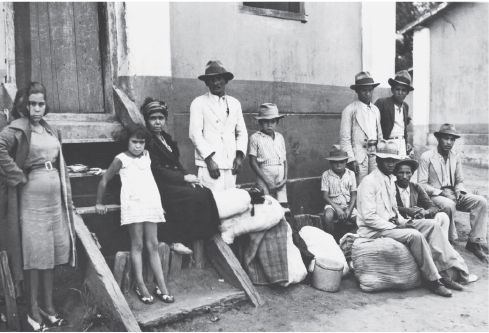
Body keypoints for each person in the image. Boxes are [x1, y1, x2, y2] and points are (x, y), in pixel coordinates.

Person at [357, 139, 477, 297]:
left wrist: (404, 222)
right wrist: (397, 227)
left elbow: (394, 210)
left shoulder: (388, 180)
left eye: (393, 161)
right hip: (374, 230)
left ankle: (446, 271)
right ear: (378, 160)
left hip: (391, 225)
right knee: (414, 235)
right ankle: (432, 280)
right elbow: (368, 218)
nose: (391, 164)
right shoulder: (368, 182)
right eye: (387, 161)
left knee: (432, 225)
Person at [0, 82, 76, 330]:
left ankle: (48, 306)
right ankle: (33, 311)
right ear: (24, 105)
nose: (37, 108)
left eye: (41, 104)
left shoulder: (49, 128)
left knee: (50, 254)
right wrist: (18, 176)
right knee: (34, 255)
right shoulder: (17, 128)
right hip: (32, 200)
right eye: (32, 103)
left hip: (54, 201)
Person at [95, 124, 174, 305]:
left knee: (153, 244)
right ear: (127, 141)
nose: (138, 146)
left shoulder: (146, 156)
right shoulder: (121, 159)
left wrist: (158, 204)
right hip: (133, 204)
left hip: (151, 202)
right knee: (137, 244)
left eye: (141, 142)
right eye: (134, 142)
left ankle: (161, 285)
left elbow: (150, 181)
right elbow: (105, 179)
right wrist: (99, 202)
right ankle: (140, 285)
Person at [142, 98, 220, 251]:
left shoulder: (165, 138)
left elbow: (176, 164)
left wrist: (189, 178)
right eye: (153, 118)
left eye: (161, 118)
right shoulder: (148, 140)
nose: (157, 122)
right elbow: (156, 170)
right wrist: (183, 178)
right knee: (195, 196)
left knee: (204, 191)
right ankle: (181, 238)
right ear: (147, 120)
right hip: (158, 185)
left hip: (172, 180)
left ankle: (209, 232)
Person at [418, 124, 489, 263]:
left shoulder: (455, 157)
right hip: (434, 196)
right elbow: (421, 184)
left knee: (481, 201)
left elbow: (459, 180)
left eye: (452, 139)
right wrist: (441, 192)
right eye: (446, 138)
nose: (449, 142)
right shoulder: (426, 157)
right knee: (449, 204)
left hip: (453, 193)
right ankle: (449, 243)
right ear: (438, 138)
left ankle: (474, 242)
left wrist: (460, 191)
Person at [189, 60, 248, 191]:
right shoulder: (199, 103)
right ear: (206, 83)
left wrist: (239, 157)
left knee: (230, 203)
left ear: (225, 80)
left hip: (230, 163)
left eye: (219, 78)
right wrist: (209, 161)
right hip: (209, 165)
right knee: (212, 203)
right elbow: (195, 134)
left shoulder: (234, 103)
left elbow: (242, 132)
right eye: (211, 80)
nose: (216, 83)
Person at [340, 71, 383, 184]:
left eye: (370, 90)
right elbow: (345, 138)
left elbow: (379, 135)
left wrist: (381, 154)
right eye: (364, 90)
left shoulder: (375, 110)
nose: (367, 93)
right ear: (357, 91)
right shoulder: (350, 110)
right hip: (359, 155)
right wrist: (351, 159)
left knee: (375, 184)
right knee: (361, 185)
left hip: (374, 154)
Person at [394, 158, 450, 238]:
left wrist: (424, 212)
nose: (404, 176)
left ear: (412, 173)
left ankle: (442, 244)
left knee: (443, 216)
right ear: (395, 173)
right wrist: (406, 210)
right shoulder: (391, 188)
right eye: (401, 173)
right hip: (400, 224)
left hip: (416, 222)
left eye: (408, 173)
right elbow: (388, 207)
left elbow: (433, 207)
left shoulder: (416, 187)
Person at [249, 103, 288, 208]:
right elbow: (252, 162)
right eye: (266, 121)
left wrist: (285, 178)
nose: (269, 124)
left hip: (280, 175)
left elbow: (284, 160)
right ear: (260, 122)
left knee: (282, 205)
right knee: (266, 205)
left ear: (277, 122)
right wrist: (267, 181)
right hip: (265, 174)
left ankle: (283, 224)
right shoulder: (255, 138)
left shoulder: (280, 137)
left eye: (273, 121)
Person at [321, 145, 357, 239]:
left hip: (348, 205)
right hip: (332, 205)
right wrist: (337, 209)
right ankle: (332, 240)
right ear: (330, 162)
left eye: (342, 162)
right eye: (335, 162)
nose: (339, 165)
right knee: (328, 216)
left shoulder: (351, 174)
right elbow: (325, 196)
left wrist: (349, 209)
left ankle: (348, 238)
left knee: (361, 221)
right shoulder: (326, 175)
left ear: (346, 162)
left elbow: (354, 194)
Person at [375, 70, 414, 157]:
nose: (400, 93)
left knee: (401, 167)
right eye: (397, 89)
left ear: (407, 92)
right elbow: (373, 125)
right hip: (388, 143)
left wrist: (406, 143)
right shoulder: (382, 103)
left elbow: (404, 129)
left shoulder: (405, 106)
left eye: (403, 90)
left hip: (402, 144)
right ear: (392, 90)